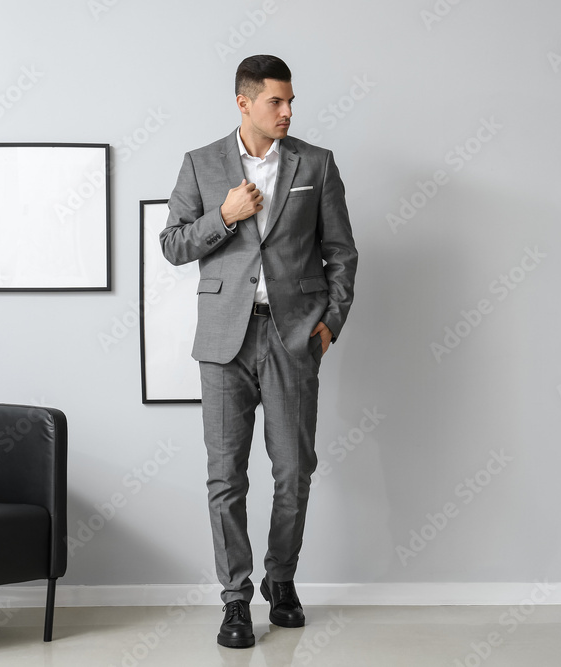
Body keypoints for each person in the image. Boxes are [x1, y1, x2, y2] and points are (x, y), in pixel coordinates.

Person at [159, 54, 358, 649]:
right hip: (225, 340)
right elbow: (172, 244)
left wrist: (329, 324)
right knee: (227, 477)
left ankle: (282, 578)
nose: (288, 111)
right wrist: (224, 215)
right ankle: (236, 599)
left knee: (295, 469)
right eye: (276, 101)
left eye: (291, 100)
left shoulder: (315, 164)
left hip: (293, 333)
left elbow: (341, 253)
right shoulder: (201, 163)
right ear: (244, 103)